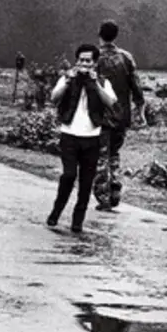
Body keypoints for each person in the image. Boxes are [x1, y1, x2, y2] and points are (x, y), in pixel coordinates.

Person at [47, 44, 117, 233]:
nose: (83, 64)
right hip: (69, 134)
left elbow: (110, 102)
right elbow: (54, 97)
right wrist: (68, 81)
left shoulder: (102, 82)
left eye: (88, 61)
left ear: (94, 63)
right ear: (76, 61)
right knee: (69, 175)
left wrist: (95, 84)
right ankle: (56, 212)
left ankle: (77, 221)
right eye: (81, 60)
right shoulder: (67, 77)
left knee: (86, 182)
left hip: (92, 138)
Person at [93, 20, 145, 211]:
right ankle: (115, 188)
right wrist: (140, 110)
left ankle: (103, 196)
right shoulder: (127, 57)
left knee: (100, 155)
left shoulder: (94, 58)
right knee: (114, 153)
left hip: (100, 115)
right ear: (116, 36)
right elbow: (136, 86)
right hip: (122, 115)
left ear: (99, 34)